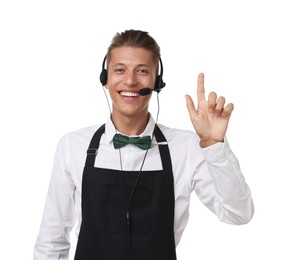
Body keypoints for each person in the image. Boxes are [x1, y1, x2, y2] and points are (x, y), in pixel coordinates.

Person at [34, 29, 254, 260]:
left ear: (157, 82)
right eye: (120, 70)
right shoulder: (72, 146)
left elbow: (238, 214)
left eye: (142, 71)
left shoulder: (186, 148)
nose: (130, 80)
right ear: (105, 79)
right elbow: (52, 237)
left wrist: (213, 144)